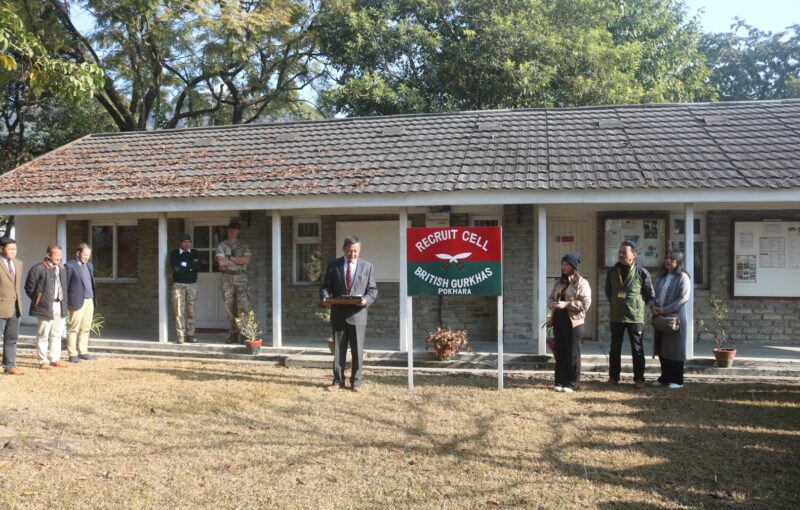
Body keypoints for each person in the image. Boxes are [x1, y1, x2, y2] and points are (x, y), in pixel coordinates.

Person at [320, 236, 378, 392]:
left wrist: (365, 300)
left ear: (360, 250)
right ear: (343, 249)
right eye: (349, 251)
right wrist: (324, 298)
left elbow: (373, 290)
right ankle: (338, 381)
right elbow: (325, 287)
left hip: (358, 314)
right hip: (338, 314)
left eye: (355, 251)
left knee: (357, 350)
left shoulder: (367, 267)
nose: (352, 254)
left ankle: (356, 382)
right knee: (339, 349)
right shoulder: (333, 266)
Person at [605, 241, 655, 388]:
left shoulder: (642, 272)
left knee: (637, 348)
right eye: (619, 252)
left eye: (624, 252)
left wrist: (637, 306)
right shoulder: (612, 272)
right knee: (615, 348)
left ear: (633, 255)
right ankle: (613, 377)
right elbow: (609, 292)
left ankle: (639, 379)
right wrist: (616, 303)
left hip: (635, 317)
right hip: (616, 316)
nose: (621, 255)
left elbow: (649, 294)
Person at [547, 252, 592, 393]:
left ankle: (573, 383)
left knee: (572, 353)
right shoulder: (558, 282)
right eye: (563, 264)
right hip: (558, 321)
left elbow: (585, 303)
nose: (564, 267)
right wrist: (552, 304)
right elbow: (550, 298)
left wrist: (566, 304)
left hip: (574, 323)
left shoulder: (582, 283)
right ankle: (560, 381)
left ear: (573, 266)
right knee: (560, 352)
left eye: (567, 264)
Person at [650, 249, 691, 389]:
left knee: (675, 350)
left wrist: (665, 309)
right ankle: (664, 377)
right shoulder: (662, 276)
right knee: (662, 349)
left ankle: (677, 380)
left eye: (672, 259)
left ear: (679, 262)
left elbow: (682, 299)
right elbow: (653, 294)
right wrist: (653, 306)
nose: (668, 261)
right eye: (667, 258)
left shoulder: (683, 278)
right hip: (660, 319)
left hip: (674, 319)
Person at [24, 244, 69, 369]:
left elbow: (64, 288)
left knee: (57, 333)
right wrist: (39, 300)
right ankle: (42, 361)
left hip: (59, 304)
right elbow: (29, 288)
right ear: (48, 254)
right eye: (56, 255)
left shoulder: (62, 269)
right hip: (44, 306)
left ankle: (55, 358)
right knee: (43, 334)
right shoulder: (37, 268)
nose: (59, 258)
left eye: (61, 255)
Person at [215, 220, 252, 344]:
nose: (232, 231)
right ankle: (233, 333)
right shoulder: (222, 245)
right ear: (227, 230)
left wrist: (230, 258)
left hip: (241, 278)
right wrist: (237, 261)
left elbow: (246, 260)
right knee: (229, 308)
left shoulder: (244, 245)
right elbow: (221, 262)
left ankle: (245, 333)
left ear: (238, 231)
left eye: (235, 229)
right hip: (227, 279)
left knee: (244, 306)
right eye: (230, 229)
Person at [65, 243, 97, 363]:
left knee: (86, 328)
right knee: (74, 328)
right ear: (78, 253)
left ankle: (83, 351)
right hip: (76, 301)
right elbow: (65, 286)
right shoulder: (69, 265)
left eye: (88, 255)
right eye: (84, 255)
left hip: (89, 300)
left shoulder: (89, 265)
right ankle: (72, 354)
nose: (86, 257)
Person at [171, 233, 200, 344]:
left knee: (191, 310)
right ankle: (181, 335)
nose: (187, 244)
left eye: (189, 241)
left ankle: (190, 334)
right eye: (185, 242)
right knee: (179, 310)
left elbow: (198, 267)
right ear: (180, 243)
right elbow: (176, 269)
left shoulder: (194, 253)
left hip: (192, 285)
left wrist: (184, 266)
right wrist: (190, 267)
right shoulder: (174, 254)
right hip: (178, 285)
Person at [1, 237, 23, 375]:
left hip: (15, 307)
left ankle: (9, 366)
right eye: (10, 249)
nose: (14, 251)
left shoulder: (19, 263)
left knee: (12, 338)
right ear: (1, 249)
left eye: (15, 249)